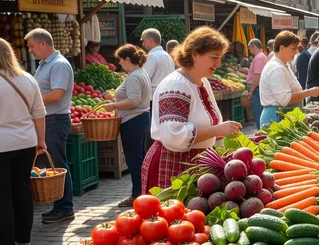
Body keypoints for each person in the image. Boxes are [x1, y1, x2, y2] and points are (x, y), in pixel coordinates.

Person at [141, 27, 242, 192]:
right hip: (174, 164)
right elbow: (173, 134)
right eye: (214, 58)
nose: (219, 63)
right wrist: (216, 130)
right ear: (195, 54)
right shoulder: (176, 85)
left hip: (195, 163)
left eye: (220, 58)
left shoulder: (202, 82)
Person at [0, 38, 46, 245]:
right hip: (25, 143)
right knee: (22, 190)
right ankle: (23, 240)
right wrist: (41, 140)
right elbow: (39, 113)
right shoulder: (28, 79)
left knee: (0, 194)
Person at [25, 29, 75, 224]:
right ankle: (61, 206)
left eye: (32, 46)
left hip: (55, 119)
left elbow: (56, 94)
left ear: (43, 43)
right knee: (56, 164)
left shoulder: (59, 65)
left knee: (58, 164)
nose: (30, 50)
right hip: (50, 119)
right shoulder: (45, 64)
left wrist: (30, 100)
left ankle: (65, 208)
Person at [103, 45, 151, 207]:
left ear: (128, 59)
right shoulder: (140, 74)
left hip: (133, 121)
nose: (120, 64)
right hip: (141, 119)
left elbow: (133, 101)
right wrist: (114, 98)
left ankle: (137, 195)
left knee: (134, 160)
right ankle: (145, 192)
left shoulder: (134, 77)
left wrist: (114, 106)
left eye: (121, 60)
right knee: (140, 159)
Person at [258, 31, 319, 129]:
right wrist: (309, 92)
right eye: (293, 48)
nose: (297, 51)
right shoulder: (277, 68)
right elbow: (285, 99)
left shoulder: (283, 65)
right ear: (282, 48)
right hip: (277, 118)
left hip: (280, 116)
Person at [141, 28, 175, 98]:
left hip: (154, 96)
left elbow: (144, 78)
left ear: (150, 40)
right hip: (168, 93)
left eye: (143, 41)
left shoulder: (152, 56)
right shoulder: (167, 55)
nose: (143, 44)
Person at [246, 39, 267, 129]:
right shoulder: (261, 56)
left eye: (249, 47)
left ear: (254, 46)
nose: (249, 49)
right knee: (259, 111)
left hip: (257, 89)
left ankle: (261, 133)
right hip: (258, 88)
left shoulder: (259, 57)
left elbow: (257, 76)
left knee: (258, 112)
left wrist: (251, 91)